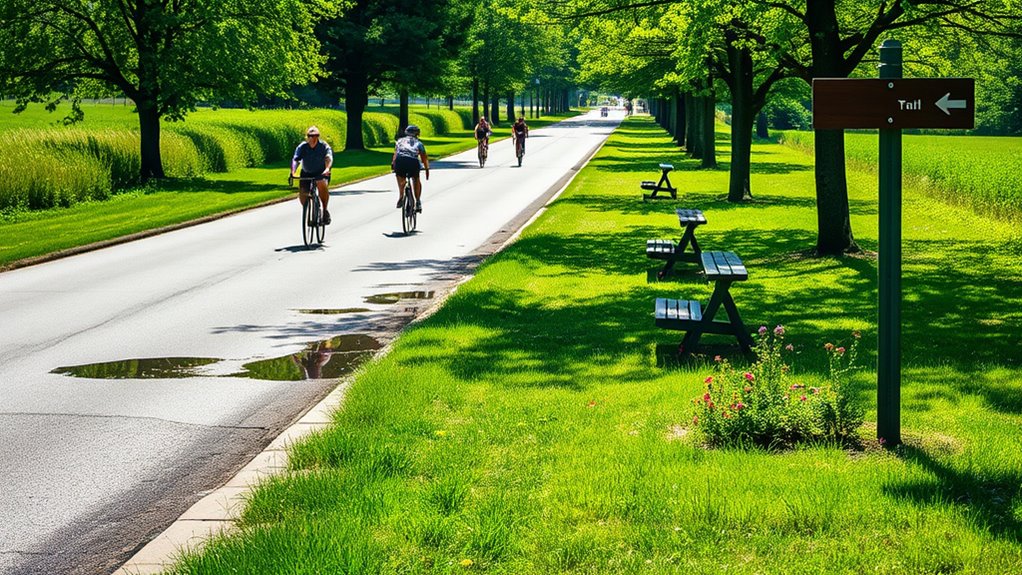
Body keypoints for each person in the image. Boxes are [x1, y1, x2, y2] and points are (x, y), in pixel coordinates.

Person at [290, 126, 333, 225]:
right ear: (307, 137)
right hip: (306, 172)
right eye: (310, 136)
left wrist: (327, 169)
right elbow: (295, 159)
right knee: (303, 194)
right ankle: (309, 209)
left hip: (321, 172)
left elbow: (328, 158)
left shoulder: (324, 146)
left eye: (315, 136)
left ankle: (325, 210)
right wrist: (293, 171)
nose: (313, 138)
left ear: (318, 137)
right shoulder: (302, 147)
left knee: (321, 183)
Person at [392, 124, 430, 213]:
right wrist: (427, 169)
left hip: (400, 160)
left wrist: (393, 165)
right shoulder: (419, 143)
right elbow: (424, 157)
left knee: (399, 175)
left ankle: (401, 194)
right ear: (417, 134)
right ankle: (417, 201)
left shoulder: (400, 141)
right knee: (416, 179)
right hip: (413, 161)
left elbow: (395, 154)